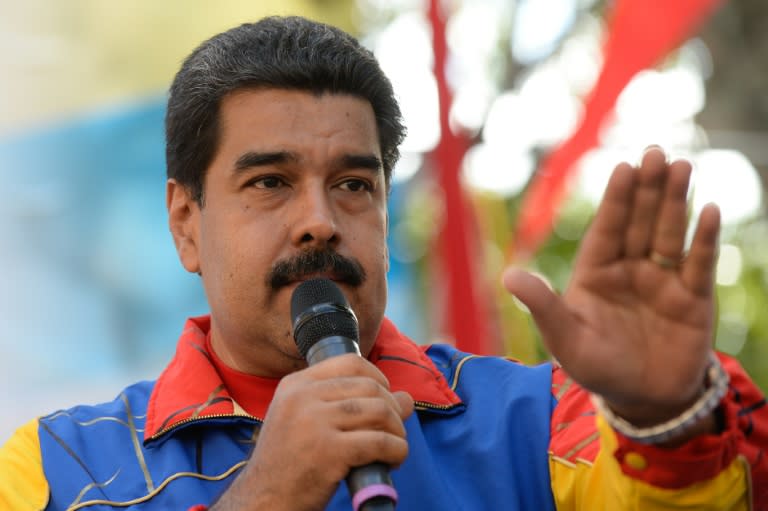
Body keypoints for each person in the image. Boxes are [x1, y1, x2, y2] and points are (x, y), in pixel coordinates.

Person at [1, 15, 766, 511]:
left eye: (353, 185)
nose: (319, 222)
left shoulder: (540, 421)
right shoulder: (54, 467)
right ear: (185, 223)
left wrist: (667, 418)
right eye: (270, 182)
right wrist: (266, 495)